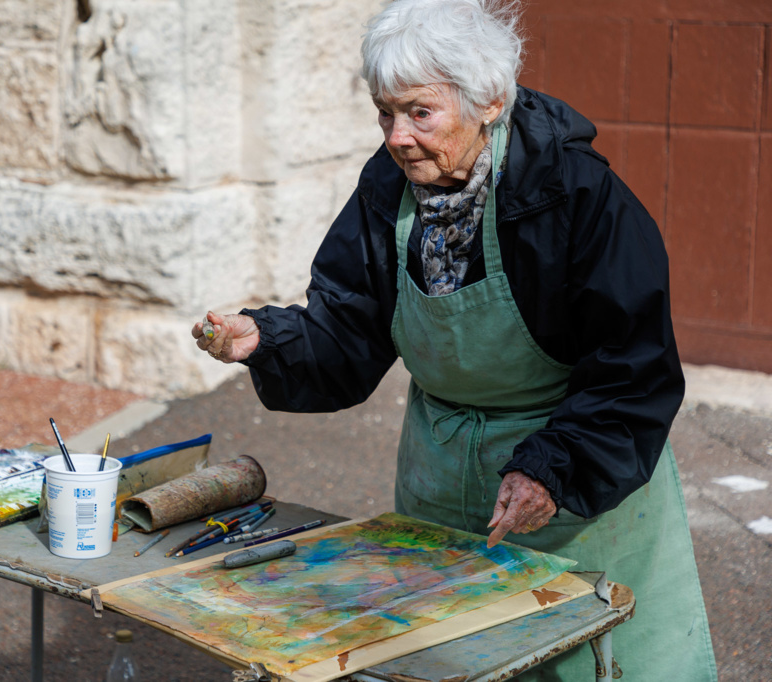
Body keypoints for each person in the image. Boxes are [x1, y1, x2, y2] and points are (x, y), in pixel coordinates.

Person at [192, 0, 717, 678]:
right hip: (439, 481)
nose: (398, 138)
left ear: (489, 101)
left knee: (585, 663)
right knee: (448, 662)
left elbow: (633, 369)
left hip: (573, 485)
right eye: (385, 113)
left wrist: (553, 469)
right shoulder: (388, 186)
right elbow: (347, 328)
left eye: (420, 113)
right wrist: (266, 338)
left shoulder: (576, 192)